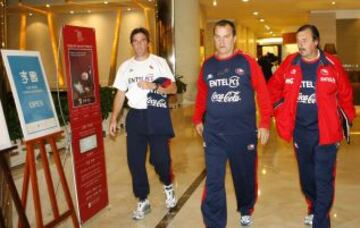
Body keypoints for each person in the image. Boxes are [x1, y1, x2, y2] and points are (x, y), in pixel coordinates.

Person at [268, 24, 356, 228]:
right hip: (301, 133)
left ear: (316, 41)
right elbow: (273, 88)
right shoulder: (291, 63)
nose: (300, 44)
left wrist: (346, 120)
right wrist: (280, 110)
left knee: (324, 179)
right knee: (307, 179)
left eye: (305, 40)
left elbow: (345, 94)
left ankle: (321, 221)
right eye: (298, 40)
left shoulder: (332, 64)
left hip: (327, 134)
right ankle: (313, 207)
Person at [193, 19, 272, 227]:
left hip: (243, 133)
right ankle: (215, 223)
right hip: (214, 134)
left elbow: (263, 93)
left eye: (226, 36)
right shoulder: (207, 65)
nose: (222, 41)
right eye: (217, 37)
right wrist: (197, 118)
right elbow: (202, 94)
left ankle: (245, 208)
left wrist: (264, 122)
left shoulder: (247, 62)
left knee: (244, 176)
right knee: (214, 180)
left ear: (234, 38)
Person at [108, 27, 177, 220]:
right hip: (135, 117)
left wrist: (154, 85)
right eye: (135, 41)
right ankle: (143, 199)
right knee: (135, 161)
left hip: (156, 114)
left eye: (142, 40)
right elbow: (120, 93)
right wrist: (114, 118)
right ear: (132, 44)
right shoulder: (125, 67)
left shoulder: (159, 62)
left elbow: (172, 88)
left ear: (148, 42)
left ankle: (168, 185)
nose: (139, 44)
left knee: (160, 159)